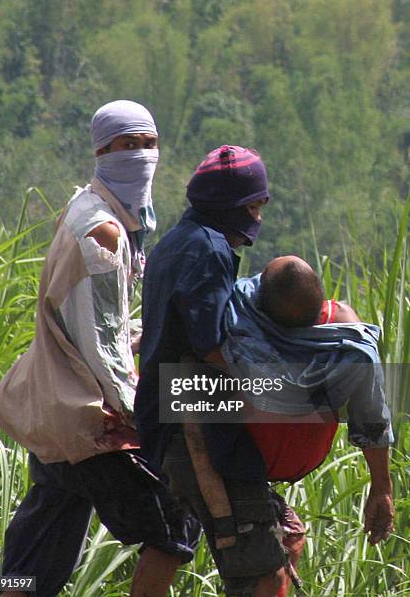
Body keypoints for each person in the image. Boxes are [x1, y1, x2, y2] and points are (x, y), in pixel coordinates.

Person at [0, 100, 200, 597]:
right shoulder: (102, 231)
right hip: (87, 416)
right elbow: (102, 347)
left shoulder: (87, 206)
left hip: (54, 408)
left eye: (149, 145)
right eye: (128, 146)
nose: (142, 156)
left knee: (36, 552)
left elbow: (99, 323)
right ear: (102, 151)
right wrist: (139, 412)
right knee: (174, 527)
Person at [135, 144, 292, 597]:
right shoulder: (209, 248)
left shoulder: (175, 242)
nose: (258, 217)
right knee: (261, 572)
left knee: (180, 549)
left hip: (166, 420)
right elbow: (210, 345)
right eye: (256, 205)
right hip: (198, 430)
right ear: (236, 206)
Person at [231, 256, 394, 596]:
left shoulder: (345, 337)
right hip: (233, 465)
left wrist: (382, 488)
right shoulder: (238, 316)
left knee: (286, 545)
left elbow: (371, 415)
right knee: (268, 565)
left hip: (273, 466)